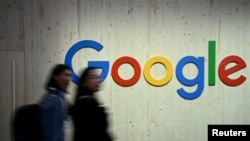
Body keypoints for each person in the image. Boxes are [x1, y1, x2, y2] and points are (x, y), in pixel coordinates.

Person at [70, 67, 113, 141]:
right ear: (84, 82)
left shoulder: (86, 99)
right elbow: (96, 129)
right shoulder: (86, 101)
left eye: (98, 77)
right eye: (93, 78)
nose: (98, 81)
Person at [40, 64, 71, 141]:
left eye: (69, 76)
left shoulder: (59, 97)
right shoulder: (55, 99)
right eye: (65, 75)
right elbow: (55, 133)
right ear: (56, 77)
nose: (68, 79)